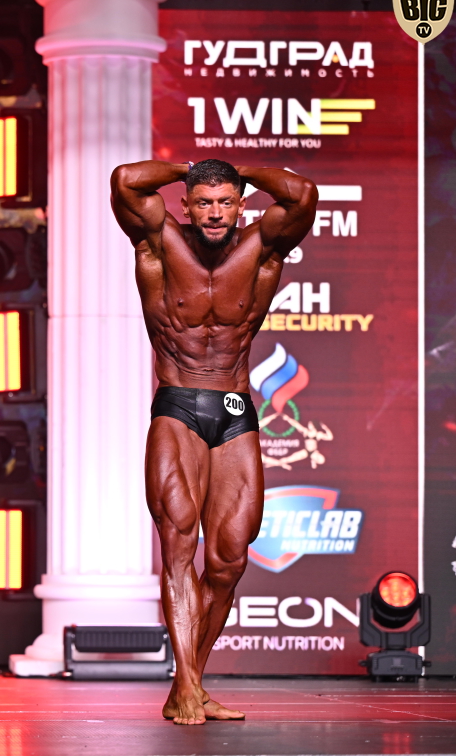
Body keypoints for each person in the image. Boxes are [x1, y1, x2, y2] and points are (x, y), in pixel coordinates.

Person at [110, 158, 317, 725]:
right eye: (203, 201)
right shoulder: (159, 240)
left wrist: (242, 169)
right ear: (186, 204)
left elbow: (302, 194)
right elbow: (125, 180)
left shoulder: (264, 246)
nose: (215, 213)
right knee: (178, 548)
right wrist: (187, 168)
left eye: (226, 201)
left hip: (234, 410)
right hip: (178, 406)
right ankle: (185, 687)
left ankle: (191, 684)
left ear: (242, 204)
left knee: (228, 562)